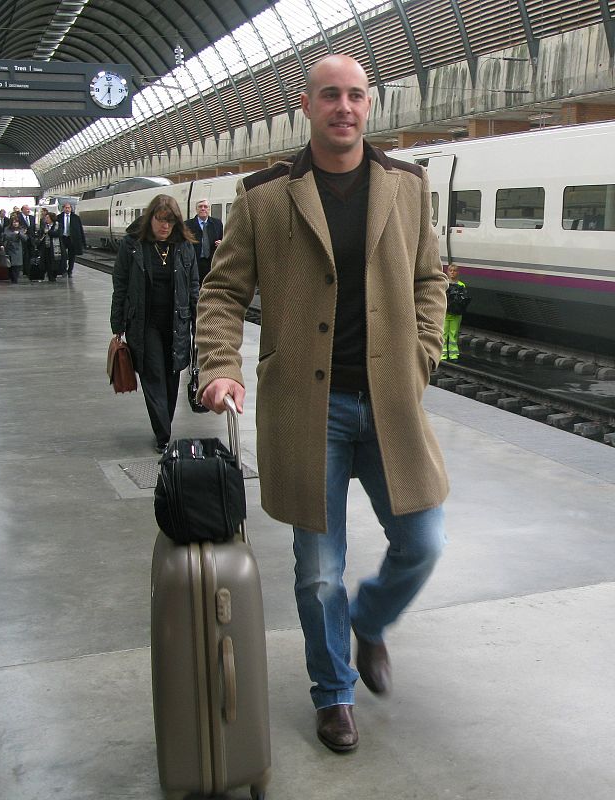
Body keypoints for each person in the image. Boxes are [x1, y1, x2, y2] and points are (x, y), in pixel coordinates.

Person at [196, 54, 449, 753]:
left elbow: (431, 278)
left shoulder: (406, 186)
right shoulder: (265, 196)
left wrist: (423, 353)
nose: (344, 106)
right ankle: (334, 692)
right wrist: (220, 366)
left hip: (391, 401)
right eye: (330, 95)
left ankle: (369, 621)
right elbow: (221, 293)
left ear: (371, 106)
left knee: (424, 542)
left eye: (356, 96)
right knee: (317, 570)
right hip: (310, 413)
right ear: (305, 106)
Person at [110, 194, 200, 452]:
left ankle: (164, 425)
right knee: (153, 375)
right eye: (160, 221)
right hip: (144, 322)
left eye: (170, 222)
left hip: (176, 322)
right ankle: (162, 434)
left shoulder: (184, 246)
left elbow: (194, 285)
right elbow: (121, 284)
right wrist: (118, 323)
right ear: (150, 219)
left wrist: (197, 321)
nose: (165, 227)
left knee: (172, 377)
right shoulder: (132, 245)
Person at [186, 199, 223, 285]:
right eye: (200, 207)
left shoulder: (217, 223)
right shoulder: (187, 225)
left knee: (211, 286)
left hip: (211, 262)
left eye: (205, 207)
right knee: (196, 286)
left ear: (209, 209)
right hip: (195, 262)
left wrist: (221, 243)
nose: (203, 209)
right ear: (196, 209)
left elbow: (223, 239)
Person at [441, 264, 471, 362]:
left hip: (455, 314)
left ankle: (453, 354)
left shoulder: (461, 285)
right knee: (444, 334)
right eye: (451, 271)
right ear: (447, 272)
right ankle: (443, 354)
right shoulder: (444, 284)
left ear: (457, 272)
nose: (453, 273)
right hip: (445, 313)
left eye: (454, 271)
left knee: (453, 334)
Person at [57, 202, 86, 277]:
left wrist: (83, 241)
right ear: (63, 208)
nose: (67, 209)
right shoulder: (59, 217)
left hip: (72, 239)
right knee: (63, 255)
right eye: (66, 208)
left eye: (68, 208)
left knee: (72, 256)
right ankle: (63, 270)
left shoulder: (76, 217)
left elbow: (80, 229)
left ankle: (70, 271)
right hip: (62, 238)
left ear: (71, 208)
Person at [1, 216, 28, 284]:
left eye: (17, 222)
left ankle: (15, 279)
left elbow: (25, 238)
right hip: (9, 248)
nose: (15, 224)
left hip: (18, 248)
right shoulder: (7, 229)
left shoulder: (21, 229)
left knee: (17, 265)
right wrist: (14, 234)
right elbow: (6, 236)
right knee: (10, 264)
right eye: (14, 222)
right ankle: (11, 278)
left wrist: (19, 234)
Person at [38, 212, 63, 282]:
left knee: (54, 262)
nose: (46, 219)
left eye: (47, 218)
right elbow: (41, 234)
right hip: (46, 247)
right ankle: (47, 275)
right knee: (46, 262)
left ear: (52, 218)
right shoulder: (44, 225)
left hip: (54, 247)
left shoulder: (57, 225)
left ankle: (53, 276)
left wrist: (49, 232)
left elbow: (59, 234)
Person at [18, 204, 37, 276]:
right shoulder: (19, 218)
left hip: (31, 239)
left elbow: (33, 228)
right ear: (22, 210)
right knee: (24, 255)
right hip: (23, 239)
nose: (28, 210)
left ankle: (29, 270)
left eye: (29, 209)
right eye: (26, 209)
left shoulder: (32, 218)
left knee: (31, 255)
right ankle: (25, 270)